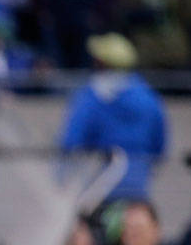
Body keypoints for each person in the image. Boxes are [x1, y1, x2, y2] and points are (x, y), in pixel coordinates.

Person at [60, 34, 166, 201]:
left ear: (102, 64)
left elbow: (72, 139)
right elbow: (159, 144)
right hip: (139, 187)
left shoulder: (92, 96)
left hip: (104, 184)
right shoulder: (148, 96)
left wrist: (61, 173)